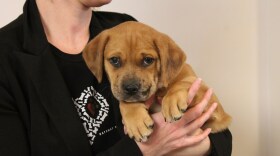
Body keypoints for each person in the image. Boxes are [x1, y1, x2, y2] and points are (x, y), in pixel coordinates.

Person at [0, 0, 232, 155]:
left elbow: (221, 139)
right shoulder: (6, 59)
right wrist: (143, 150)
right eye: (115, 61)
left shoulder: (125, 29)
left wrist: (192, 140)